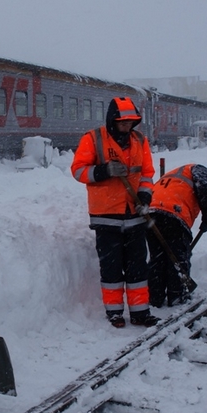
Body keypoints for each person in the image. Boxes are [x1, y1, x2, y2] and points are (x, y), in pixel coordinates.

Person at [71, 97, 159, 328]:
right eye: (122, 123)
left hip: (135, 214)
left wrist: (145, 196)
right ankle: (115, 313)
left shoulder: (140, 140)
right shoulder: (93, 139)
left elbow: (147, 174)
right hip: (106, 215)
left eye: (131, 123)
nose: (126, 127)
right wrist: (104, 170)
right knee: (111, 267)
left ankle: (140, 312)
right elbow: (78, 171)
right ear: (112, 120)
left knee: (138, 266)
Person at [146, 163, 207, 308]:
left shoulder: (175, 174)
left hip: (151, 213)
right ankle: (176, 297)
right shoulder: (199, 170)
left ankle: (155, 297)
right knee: (178, 260)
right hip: (174, 215)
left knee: (157, 258)